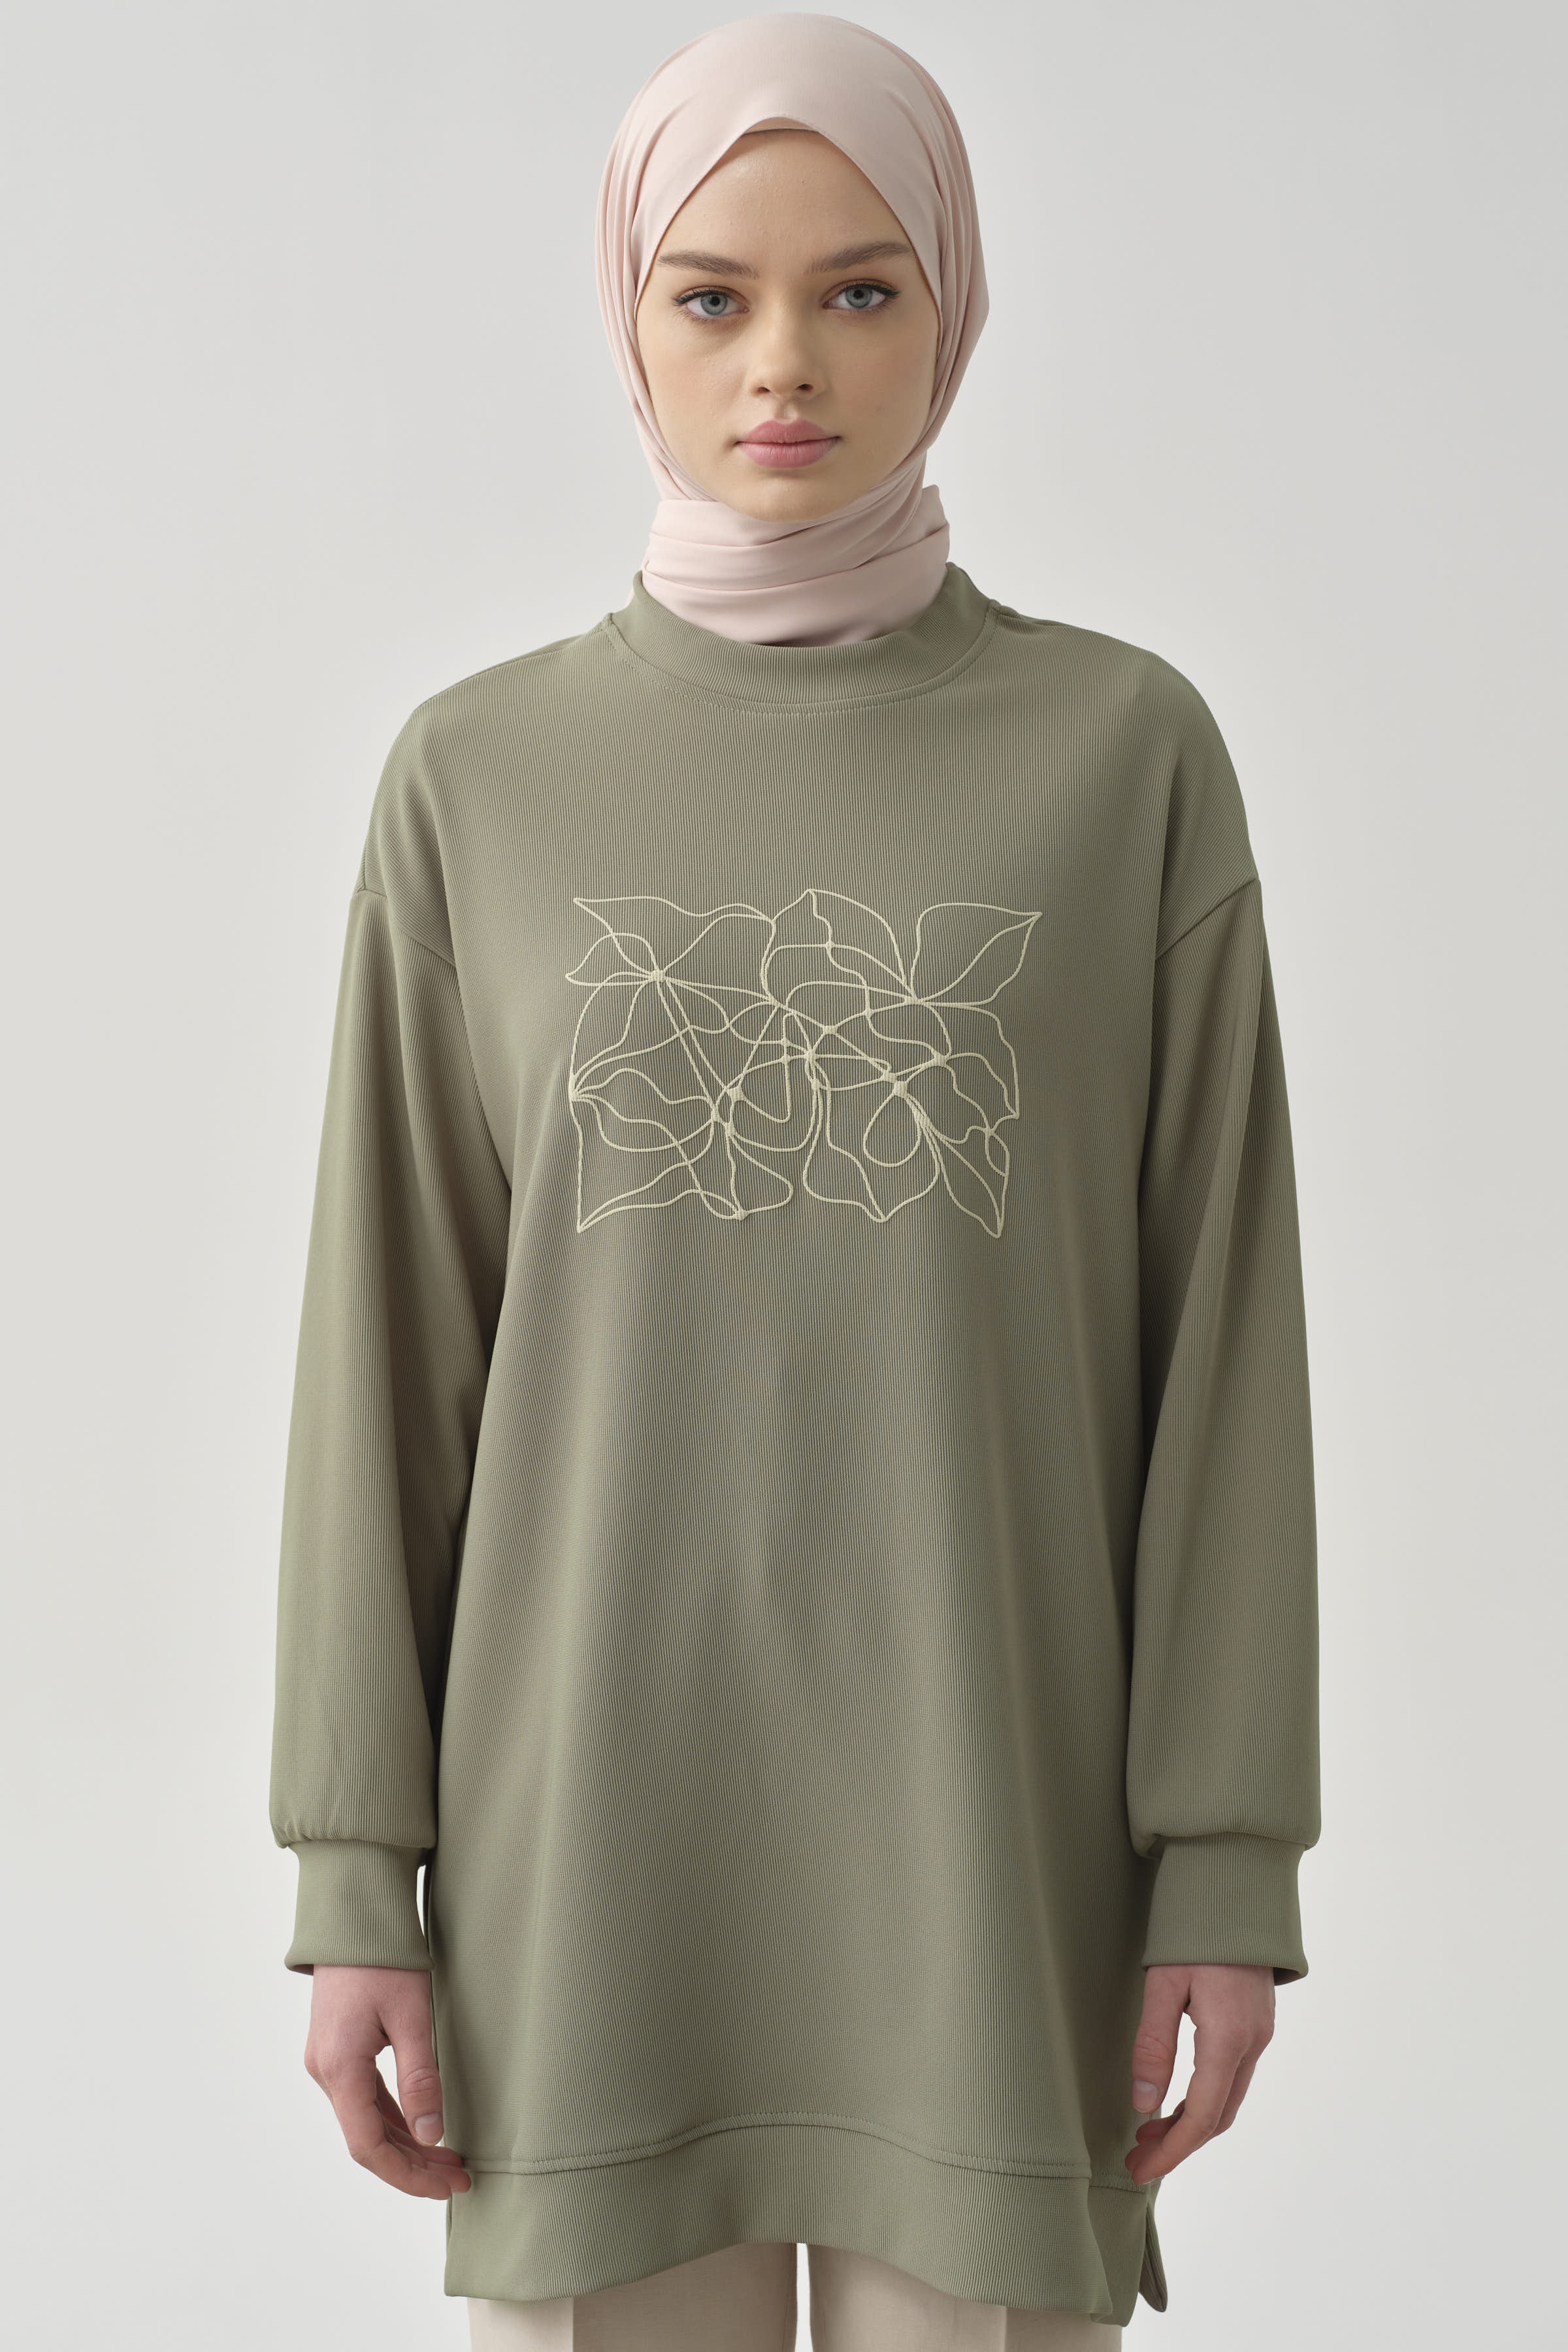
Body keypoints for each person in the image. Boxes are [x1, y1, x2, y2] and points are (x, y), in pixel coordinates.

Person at [269, 14, 1321, 2348]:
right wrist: (355, 1878)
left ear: (955, 307)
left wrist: (1225, 1863)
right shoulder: (477, 781)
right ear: (625, 318)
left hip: (997, 1871)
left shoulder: (1122, 759)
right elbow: (387, 1358)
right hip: (585, 1879)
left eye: (860, 290)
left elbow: (1222, 1344)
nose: (783, 363)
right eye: (710, 294)